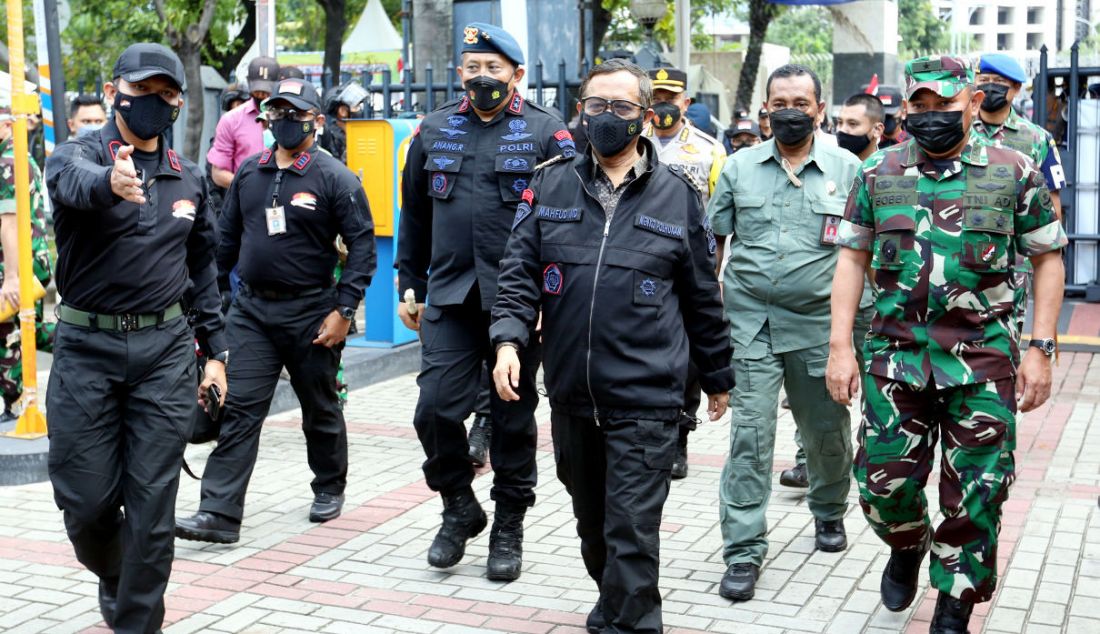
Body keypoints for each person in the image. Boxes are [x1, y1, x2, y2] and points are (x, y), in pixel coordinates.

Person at [490, 58, 733, 634]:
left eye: (622, 107)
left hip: (648, 396)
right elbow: (519, 272)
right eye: (596, 105)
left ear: (645, 117)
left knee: (630, 532)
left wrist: (719, 375)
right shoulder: (550, 182)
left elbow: (702, 295)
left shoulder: (678, 197)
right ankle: (616, 605)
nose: (606, 117)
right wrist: (507, 341)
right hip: (573, 393)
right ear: (581, 109)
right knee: (593, 528)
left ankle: (631, 621)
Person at [827, 55, 1067, 634]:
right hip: (894, 359)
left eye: (946, 106)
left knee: (978, 494)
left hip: (983, 361)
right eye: (921, 107)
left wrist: (1041, 347)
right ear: (906, 109)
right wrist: (840, 346)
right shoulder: (879, 172)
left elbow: (1048, 256)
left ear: (970, 103)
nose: (933, 116)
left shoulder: (1013, 168)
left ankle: (954, 602)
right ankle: (907, 545)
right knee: (883, 486)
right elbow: (852, 258)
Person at [44, 43, 228, 633]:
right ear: (114, 91)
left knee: (152, 512)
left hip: (165, 355)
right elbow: (72, 183)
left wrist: (216, 355)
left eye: (164, 94)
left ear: (177, 102)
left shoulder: (190, 179)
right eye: (140, 90)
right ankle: (119, 577)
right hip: (85, 353)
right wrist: (110, 183)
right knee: (87, 505)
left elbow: (203, 271)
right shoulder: (76, 157)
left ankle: (136, 621)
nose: (151, 102)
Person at [396, 22, 573, 581]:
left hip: (517, 303)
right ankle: (458, 507)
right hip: (449, 295)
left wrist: (552, 295)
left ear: (516, 74)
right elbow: (415, 215)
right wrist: (410, 283)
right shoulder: (433, 129)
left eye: (493, 68)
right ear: (460, 73)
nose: (482, 78)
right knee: (433, 410)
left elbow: (566, 225)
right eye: (472, 68)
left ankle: (508, 525)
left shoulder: (548, 134)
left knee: (512, 419)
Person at [175, 78, 376, 542]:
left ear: (317, 121)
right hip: (252, 312)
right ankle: (220, 514)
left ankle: (329, 484)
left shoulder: (335, 178)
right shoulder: (250, 172)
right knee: (240, 408)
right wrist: (212, 305)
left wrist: (345, 310)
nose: (285, 122)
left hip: (313, 313)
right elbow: (224, 244)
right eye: (278, 113)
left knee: (319, 403)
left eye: (296, 113)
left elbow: (363, 247)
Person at [709, 64, 860, 602]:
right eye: (780, 102)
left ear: (820, 109)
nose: (790, 110)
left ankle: (827, 509)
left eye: (802, 101)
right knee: (749, 439)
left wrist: (854, 342)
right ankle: (744, 551)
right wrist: (707, 325)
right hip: (750, 323)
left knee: (825, 432)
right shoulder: (738, 167)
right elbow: (715, 247)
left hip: (819, 326)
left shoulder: (847, 169)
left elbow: (859, 259)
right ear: (766, 109)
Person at [779, 92, 888, 490]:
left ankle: (875, 453)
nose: (843, 132)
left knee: (877, 383)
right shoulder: (825, 168)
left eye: (853, 127)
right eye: (840, 124)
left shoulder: (889, 171)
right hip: (833, 299)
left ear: (877, 130)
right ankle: (809, 458)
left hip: (875, 301)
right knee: (822, 381)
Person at [642, 66, 727, 480]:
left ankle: (680, 436)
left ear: (685, 103)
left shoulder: (710, 151)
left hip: (691, 271)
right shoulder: (632, 143)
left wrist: (718, 276)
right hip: (642, 264)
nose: (661, 106)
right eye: (655, 96)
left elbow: (723, 220)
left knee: (689, 359)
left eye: (670, 98)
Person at [972, 52, 1066, 335]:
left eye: (998, 82)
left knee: (1005, 339)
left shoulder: (1036, 139)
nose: (989, 87)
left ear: (1015, 90)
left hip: (1011, 262)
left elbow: (1052, 206)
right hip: (957, 251)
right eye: (983, 80)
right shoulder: (958, 130)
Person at [0, 103, 54, 422]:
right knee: (22, 326)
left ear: (6, 123)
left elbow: (8, 223)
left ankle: (17, 398)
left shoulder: (9, 160)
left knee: (5, 327)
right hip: (17, 260)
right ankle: (78, 340)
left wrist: (11, 278)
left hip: (22, 262)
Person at [207, 56, 278, 190]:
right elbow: (217, 173)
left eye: (267, 91)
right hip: (244, 199)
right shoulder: (231, 120)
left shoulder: (289, 118)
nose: (262, 95)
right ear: (249, 83)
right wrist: (250, 185)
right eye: (258, 90)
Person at [319, 81, 368, 164]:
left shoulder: (355, 133)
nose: (359, 110)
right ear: (342, 111)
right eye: (356, 107)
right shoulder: (332, 137)